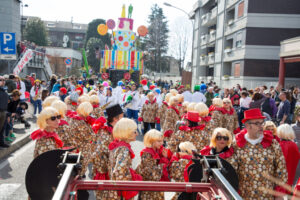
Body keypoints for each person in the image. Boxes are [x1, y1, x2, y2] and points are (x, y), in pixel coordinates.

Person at [232, 108, 287, 199]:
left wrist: (279, 195)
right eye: (257, 123)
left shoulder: (272, 143)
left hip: (267, 196)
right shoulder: (237, 144)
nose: (261, 126)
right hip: (244, 196)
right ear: (247, 125)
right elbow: (232, 170)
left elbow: (281, 170)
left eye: (262, 123)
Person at [99, 118, 141, 200]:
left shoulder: (116, 144)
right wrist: (133, 177)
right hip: (121, 194)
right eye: (134, 131)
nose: (137, 134)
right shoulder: (123, 149)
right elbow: (119, 173)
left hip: (114, 192)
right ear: (127, 132)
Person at [92, 104, 124, 197]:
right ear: (115, 119)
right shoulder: (105, 133)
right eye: (121, 117)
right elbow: (98, 154)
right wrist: (105, 173)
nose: (123, 119)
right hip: (105, 173)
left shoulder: (114, 129)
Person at [136, 129, 170, 200]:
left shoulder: (158, 151)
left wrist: (165, 157)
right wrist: (163, 163)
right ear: (151, 141)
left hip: (156, 187)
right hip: (149, 189)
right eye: (159, 141)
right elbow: (152, 174)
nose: (162, 143)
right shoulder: (147, 154)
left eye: (162, 141)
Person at [67, 102, 96, 176]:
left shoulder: (74, 118)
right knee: (80, 172)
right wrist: (93, 128)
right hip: (82, 149)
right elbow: (90, 136)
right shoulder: (80, 122)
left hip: (77, 147)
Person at [0, 76, 9, 148]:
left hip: (3, 111)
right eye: (1, 80)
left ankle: (1, 142)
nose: (3, 81)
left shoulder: (4, 89)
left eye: (4, 80)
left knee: (2, 128)